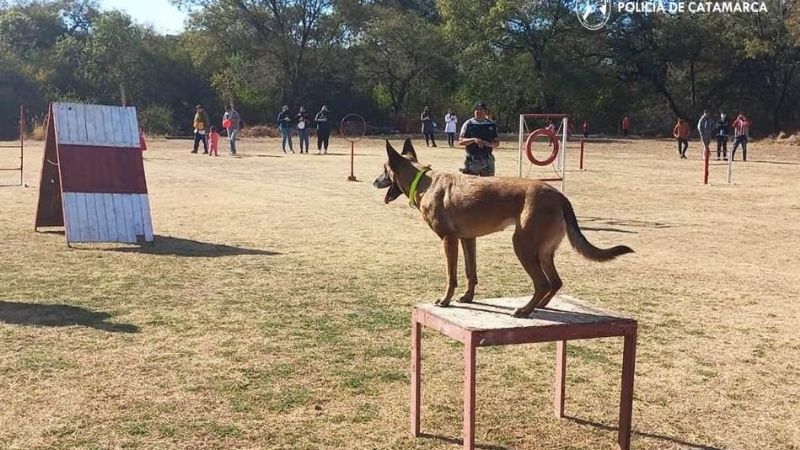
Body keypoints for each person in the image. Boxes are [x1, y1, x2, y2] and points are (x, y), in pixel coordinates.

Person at [458, 101, 500, 176]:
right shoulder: (468, 124)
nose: (479, 111)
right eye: (477, 109)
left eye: (481, 109)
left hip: (487, 159)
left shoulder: (491, 124)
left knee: (489, 185)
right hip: (472, 159)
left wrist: (488, 144)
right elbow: (461, 141)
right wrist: (473, 140)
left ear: (486, 111)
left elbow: (496, 143)